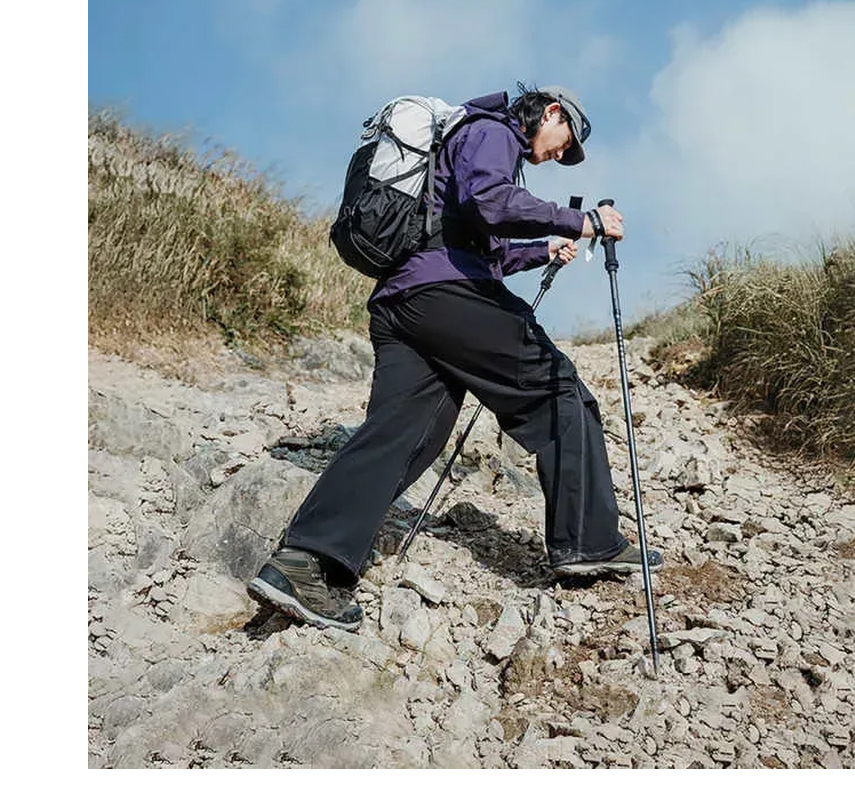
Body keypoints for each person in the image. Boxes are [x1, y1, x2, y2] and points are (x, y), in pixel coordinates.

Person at [247, 84, 662, 630]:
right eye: (567, 141)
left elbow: (482, 245)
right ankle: (590, 542)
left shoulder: (469, 142)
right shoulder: (493, 131)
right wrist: (582, 222)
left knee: (406, 432)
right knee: (559, 391)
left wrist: (541, 250)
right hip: (446, 298)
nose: (563, 154)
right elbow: (492, 203)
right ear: (551, 112)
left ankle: (303, 562)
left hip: (403, 303)